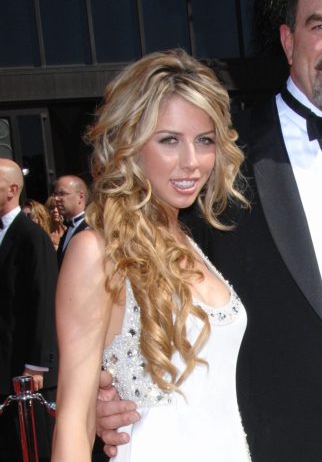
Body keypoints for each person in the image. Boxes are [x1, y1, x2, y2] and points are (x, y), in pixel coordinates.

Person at [97, 0, 322, 462]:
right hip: (268, 431)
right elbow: (136, 275)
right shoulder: (217, 159)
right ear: (288, 39)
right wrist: (107, 389)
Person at [51, 49, 249, 461]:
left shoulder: (187, 238)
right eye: (169, 140)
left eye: (205, 141)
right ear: (131, 143)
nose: (191, 162)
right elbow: (74, 419)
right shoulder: (97, 251)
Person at [0, 158, 58, 462]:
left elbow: (43, 302)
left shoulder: (32, 238)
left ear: (12, 189)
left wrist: (36, 366)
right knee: (2, 450)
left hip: (25, 375)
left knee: (30, 452)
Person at [51, 175, 89, 264]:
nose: (56, 198)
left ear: (80, 196)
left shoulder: (91, 228)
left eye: (62, 193)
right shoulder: (67, 227)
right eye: (55, 194)